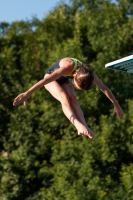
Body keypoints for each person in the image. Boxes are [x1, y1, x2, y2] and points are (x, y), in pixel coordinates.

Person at [13, 57, 124, 138]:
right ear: (74, 76)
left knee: (73, 98)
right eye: (76, 85)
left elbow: (104, 88)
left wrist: (116, 104)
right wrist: (27, 93)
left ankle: (84, 127)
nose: (75, 86)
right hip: (50, 78)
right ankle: (78, 125)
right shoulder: (67, 67)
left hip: (63, 79)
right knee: (65, 98)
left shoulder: (89, 74)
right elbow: (45, 81)